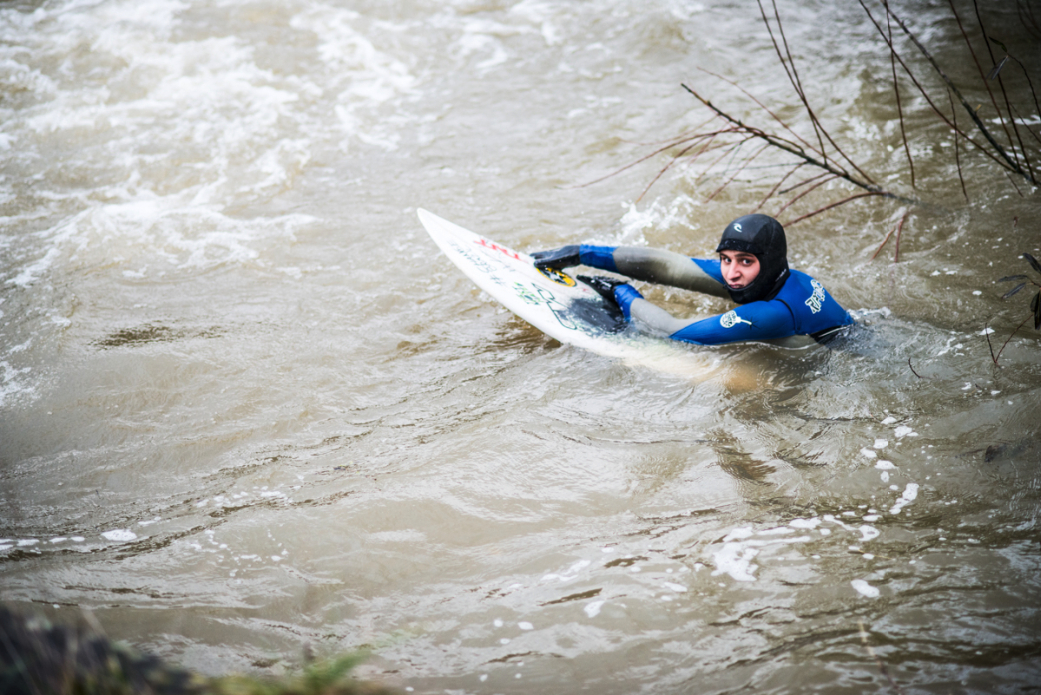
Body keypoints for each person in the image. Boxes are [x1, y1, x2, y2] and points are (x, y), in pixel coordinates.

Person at [531, 214, 854, 347]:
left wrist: (624, 294)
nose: (731, 273)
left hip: (844, 359)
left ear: (768, 265)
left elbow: (678, 333)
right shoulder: (774, 278)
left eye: (745, 262)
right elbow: (671, 266)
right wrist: (583, 253)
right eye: (725, 259)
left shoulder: (773, 313)